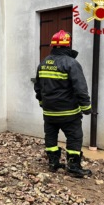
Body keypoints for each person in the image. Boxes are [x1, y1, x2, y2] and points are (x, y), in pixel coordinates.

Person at [34, 30, 92, 178]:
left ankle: (54, 163)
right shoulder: (72, 63)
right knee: (74, 137)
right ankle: (73, 167)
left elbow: (38, 88)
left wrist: (42, 103)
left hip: (49, 112)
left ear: (53, 45)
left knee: (51, 136)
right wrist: (86, 107)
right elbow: (80, 88)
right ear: (68, 45)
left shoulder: (44, 63)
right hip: (69, 113)